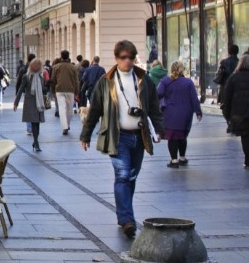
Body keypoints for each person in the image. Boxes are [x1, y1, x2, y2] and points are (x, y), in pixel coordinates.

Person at [79, 40, 164, 239]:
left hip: (139, 135)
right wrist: (86, 134)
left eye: (131, 57)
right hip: (118, 136)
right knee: (123, 175)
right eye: (123, 57)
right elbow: (96, 110)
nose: (128, 61)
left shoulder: (144, 79)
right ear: (116, 58)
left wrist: (159, 129)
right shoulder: (106, 81)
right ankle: (127, 220)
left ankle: (122, 213)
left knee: (132, 177)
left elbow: (153, 107)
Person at [157, 61, 202, 167]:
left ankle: (174, 160)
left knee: (172, 137)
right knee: (182, 136)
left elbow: (158, 93)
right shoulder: (188, 82)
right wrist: (198, 112)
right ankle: (182, 157)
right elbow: (194, 98)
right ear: (182, 70)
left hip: (171, 112)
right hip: (186, 113)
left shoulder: (166, 81)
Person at [50, 51, 81, 136]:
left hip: (59, 90)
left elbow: (53, 80)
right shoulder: (73, 67)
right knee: (69, 109)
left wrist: (53, 91)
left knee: (62, 108)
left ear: (61, 56)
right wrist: (77, 91)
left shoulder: (56, 67)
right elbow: (76, 81)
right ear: (68, 56)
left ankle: (65, 126)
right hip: (70, 90)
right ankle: (67, 125)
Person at [21, 58, 46, 152]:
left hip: (39, 102)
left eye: (38, 65)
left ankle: (35, 141)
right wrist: (16, 102)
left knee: (37, 123)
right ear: (31, 66)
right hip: (30, 102)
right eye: (34, 65)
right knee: (34, 123)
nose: (36, 67)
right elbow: (21, 89)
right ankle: (36, 143)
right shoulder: (26, 76)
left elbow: (44, 90)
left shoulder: (41, 77)